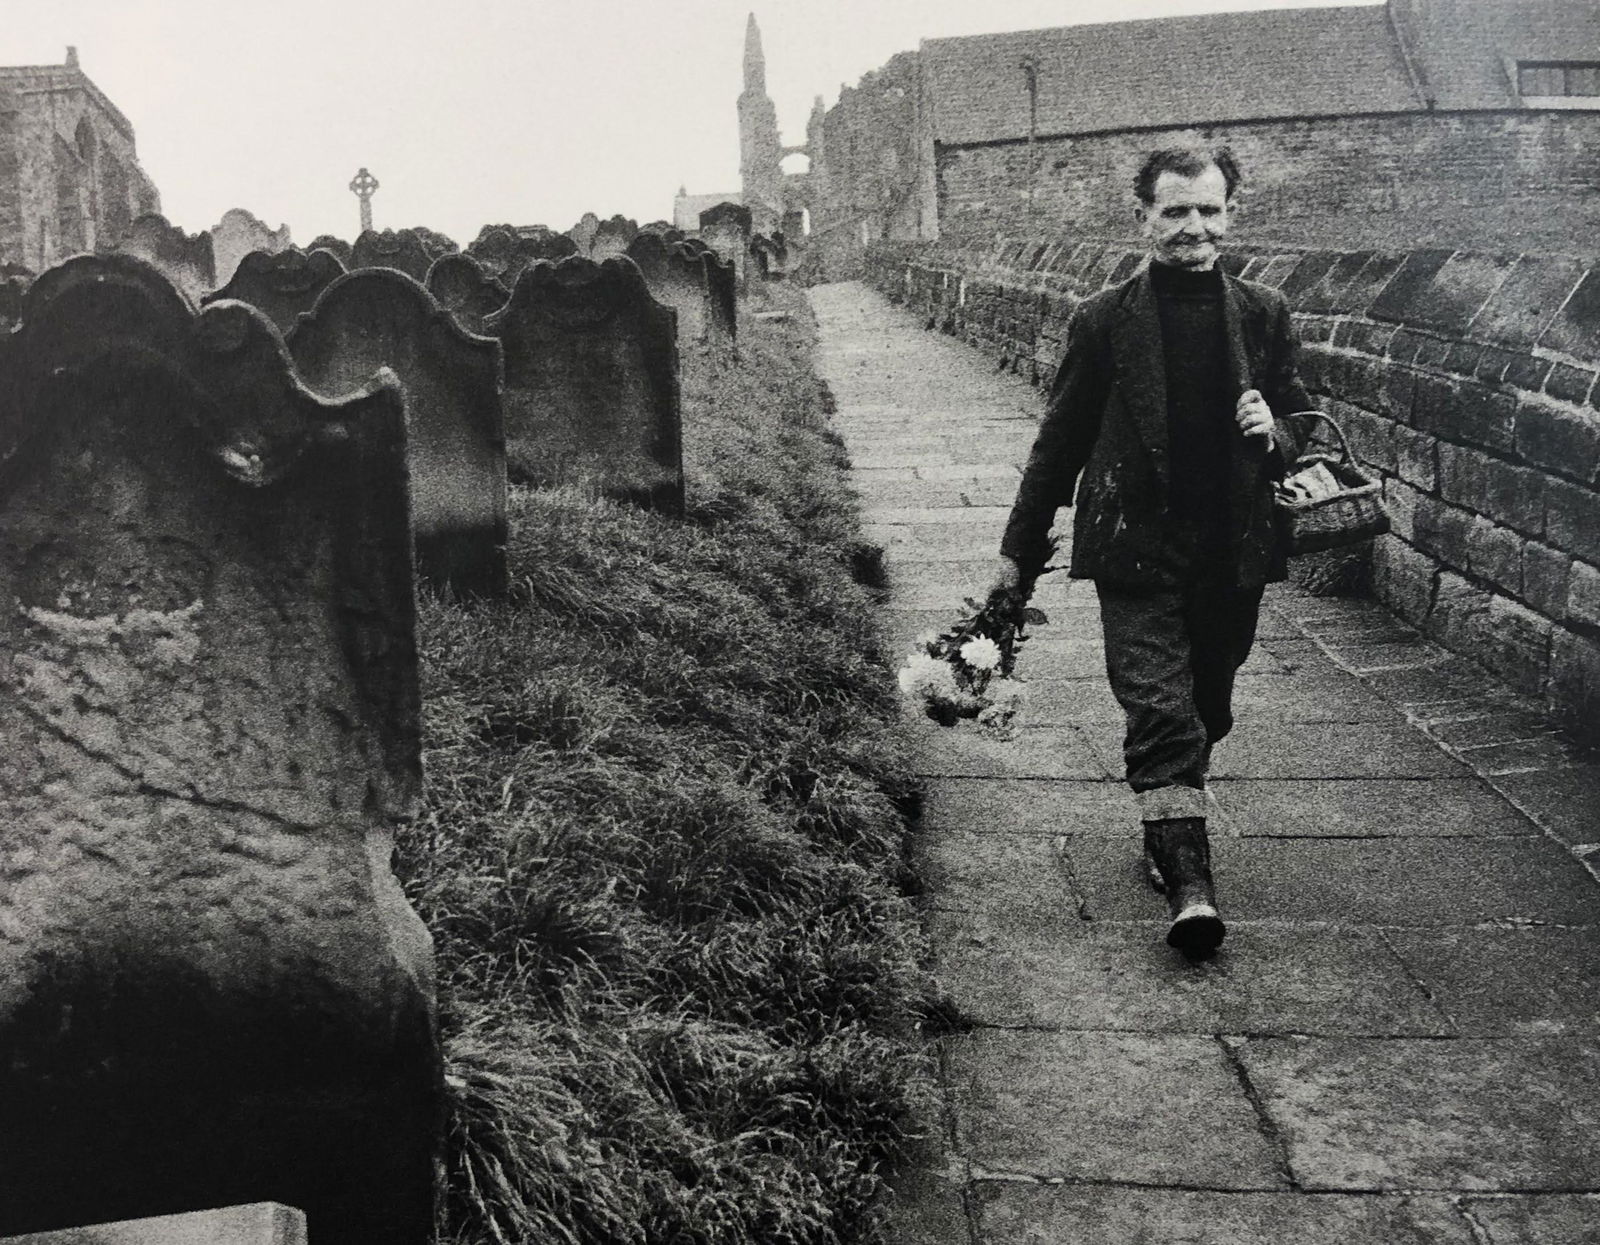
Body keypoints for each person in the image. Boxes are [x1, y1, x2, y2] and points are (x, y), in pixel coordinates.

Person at [991, 145, 1315, 959]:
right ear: (1143, 218)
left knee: (1209, 704)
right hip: (1135, 547)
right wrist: (1016, 554)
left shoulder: (1264, 311)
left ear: (1230, 215)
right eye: (1175, 211)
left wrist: (1273, 430)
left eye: (1208, 210)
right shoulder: (1103, 320)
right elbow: (1058, 441)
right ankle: (1191, 885)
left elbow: (1306, 422)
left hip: (1233, 548)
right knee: (1160, 709)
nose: (1193, 228)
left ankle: (1166, 822)